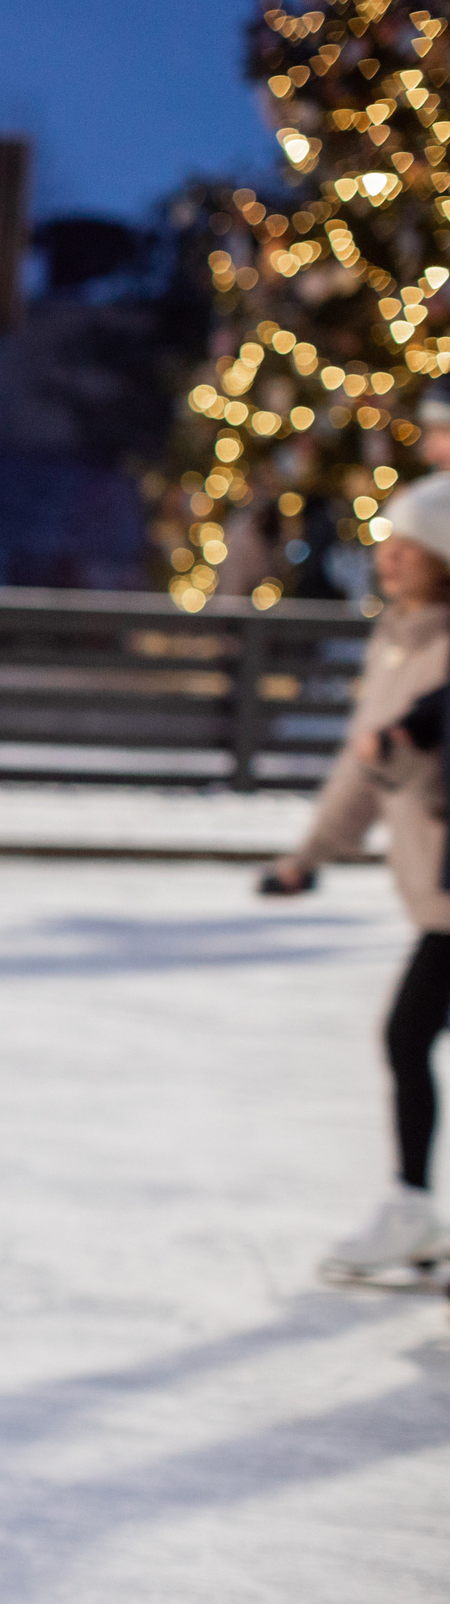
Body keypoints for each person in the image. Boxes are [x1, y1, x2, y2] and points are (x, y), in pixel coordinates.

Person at [265, 473, 450, 1281]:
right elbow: (364, 767)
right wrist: (311, 854)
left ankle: (413, 1206)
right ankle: (414, 1210)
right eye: (390, 546)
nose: (392, 561)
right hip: (435, 885)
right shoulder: (399, 640)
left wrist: (413, 736)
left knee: (407, 1034)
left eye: (411, 548)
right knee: (409, 1036)